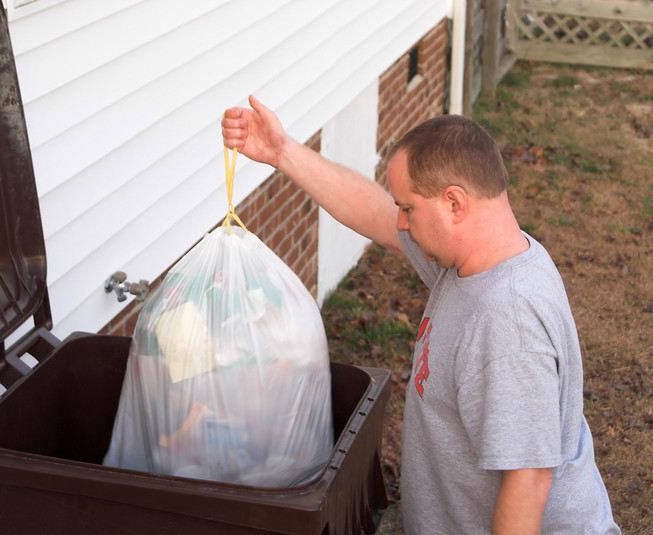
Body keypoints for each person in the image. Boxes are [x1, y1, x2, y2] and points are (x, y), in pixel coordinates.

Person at [222, 96, 620, 534]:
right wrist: (283, 153)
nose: (402, 222)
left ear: (455, 203)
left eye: (408, 208)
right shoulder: (482, 257)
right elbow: (374, 213)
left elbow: (529, 480)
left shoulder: (507, 322)